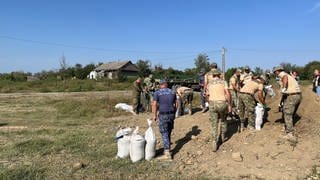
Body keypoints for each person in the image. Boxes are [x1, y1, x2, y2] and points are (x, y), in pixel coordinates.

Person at [206, 69, 232, 152]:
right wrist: (230, 105)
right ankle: (223, 136)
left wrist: (209, 102)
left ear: (213, 75)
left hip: (212, 103)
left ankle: (214, 141)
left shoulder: (209, 84)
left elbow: (207, 95)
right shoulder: (224, 82)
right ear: (219, 75)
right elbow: (227, 93)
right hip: (222, 103)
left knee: (214, 123)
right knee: (223, 120)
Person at [274, 66, 302, 139]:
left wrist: (284, 88)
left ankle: (289, 133)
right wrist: (281, 102)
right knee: (290, 112)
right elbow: (285, 94)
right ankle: (288, 127)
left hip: (292, 96)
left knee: (287, 113)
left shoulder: (283, 74)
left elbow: (285, 78)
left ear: (278, 71)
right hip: (297, 96)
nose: (274, 73)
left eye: (275, 72)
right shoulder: (289, 76)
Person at [152, 79, 177, 160]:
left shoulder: (157, 93)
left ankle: (167, 153)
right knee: (169, 131)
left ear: (161, 85)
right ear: (166, 84)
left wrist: (155, 115)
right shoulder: (173, 92)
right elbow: (176, 103)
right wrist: (174, 112)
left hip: (163, 115)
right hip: (171, 114)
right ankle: (168, 147)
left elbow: (155, 104)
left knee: (164, 132)